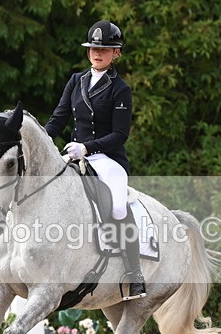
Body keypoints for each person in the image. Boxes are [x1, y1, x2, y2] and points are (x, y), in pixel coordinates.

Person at [44, 20, 146, 300]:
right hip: (75, 154)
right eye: (93, 48)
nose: (97, 53)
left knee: (116, 204)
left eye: (105, 49)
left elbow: (120, 134)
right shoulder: (76, 80)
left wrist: (87, 148)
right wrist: (41, 139)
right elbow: (58, 117)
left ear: (116, 53)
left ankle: (134, 273)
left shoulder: (120, 89)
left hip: (107, 159)